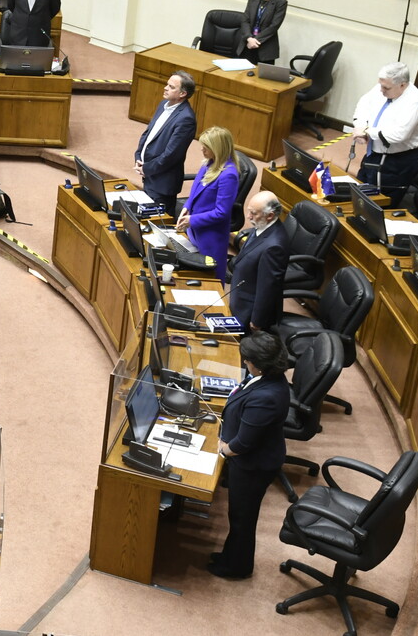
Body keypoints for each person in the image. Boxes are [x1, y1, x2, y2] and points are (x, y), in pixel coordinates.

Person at [209, 331, 291, 580]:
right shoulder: (268, 378)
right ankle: (230, 556)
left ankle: (237, 568)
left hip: (254, 466)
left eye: (247, 360)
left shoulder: (267, 397)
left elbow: (244, 443)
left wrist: (223, 449)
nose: (245, 362)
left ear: (259, 364)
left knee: (242, 518)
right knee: (238, 515)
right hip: (250, 459)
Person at [351, 62, 418, 200]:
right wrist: (360, 126)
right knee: (359, 191)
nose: (381, 90)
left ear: (402, 85)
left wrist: (367, 131)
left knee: (381, 201)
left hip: (397, 161)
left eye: (386, 88)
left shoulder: (415, 101)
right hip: (373, 152)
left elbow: (398, 135)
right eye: (381, 85)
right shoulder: (383, 86)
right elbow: (363, 105)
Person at [175, 126, 239, 278]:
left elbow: (221, 212)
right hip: (195, 229)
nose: (202, 149)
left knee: (210, 278)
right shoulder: (208, 163)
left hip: (211, 235)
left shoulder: (229, 175)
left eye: (206, 147)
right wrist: (187, 207)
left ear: (218, 149)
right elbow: (195, 190)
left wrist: (192, 220)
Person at [134, 71, 197, 213]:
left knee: (157, 222)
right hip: (150, 174)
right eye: (167, 84)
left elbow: (171, 155)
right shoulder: (163, 104)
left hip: (162, 183)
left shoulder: (186, 119)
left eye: (171, 87)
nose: (165, 88)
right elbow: (148, 134)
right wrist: (138, 156)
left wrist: (146, 169)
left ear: (182, 94)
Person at [228, 191, 288, 332]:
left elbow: (267, 288)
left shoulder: (274, 247)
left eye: (253, 213)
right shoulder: (262, 225)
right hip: (240, 296)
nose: (249, 217)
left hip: (249, 310)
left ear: (270, 215)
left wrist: (257, 320)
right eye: (249, 211)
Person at [236, 0, 288, 64]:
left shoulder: (280, 2)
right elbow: (245, 20)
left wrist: (255, 40)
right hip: (248, 44)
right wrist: (249, 38)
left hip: (265, 48)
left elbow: (274, 26)